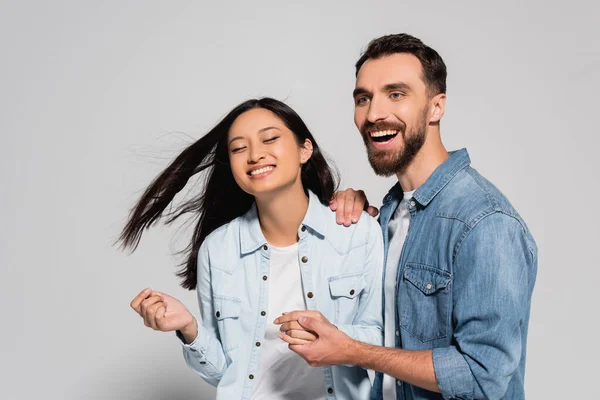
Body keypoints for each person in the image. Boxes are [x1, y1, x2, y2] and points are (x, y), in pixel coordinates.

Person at [277, 33, 538, 400]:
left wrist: (352, 351)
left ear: (436, 107)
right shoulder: (386, 216)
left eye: (396, 94)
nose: (374, 114)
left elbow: (483, 376)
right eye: (363, 98)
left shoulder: (485, 222)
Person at [120, 98, 384, 400]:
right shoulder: (217, 250)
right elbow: (226, 373)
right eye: (238, 148)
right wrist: (189, 328)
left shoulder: (358, 233)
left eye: (270, 139)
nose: (255, 155)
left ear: (304, 149)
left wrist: (333, 338)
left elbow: (381, 337)